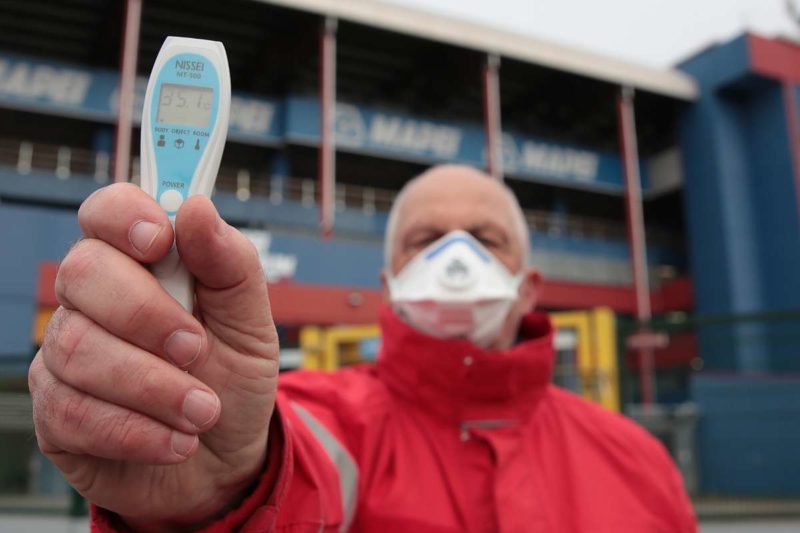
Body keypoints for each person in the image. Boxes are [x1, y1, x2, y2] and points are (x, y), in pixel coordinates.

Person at [29, 165, 697, 532]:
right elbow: (291, 482)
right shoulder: (301, 426)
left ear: (529, 288)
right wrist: (217, 499)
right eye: (425, 240)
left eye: (484, 240)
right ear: (389, 283)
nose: (454, 258)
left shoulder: (639, 462)